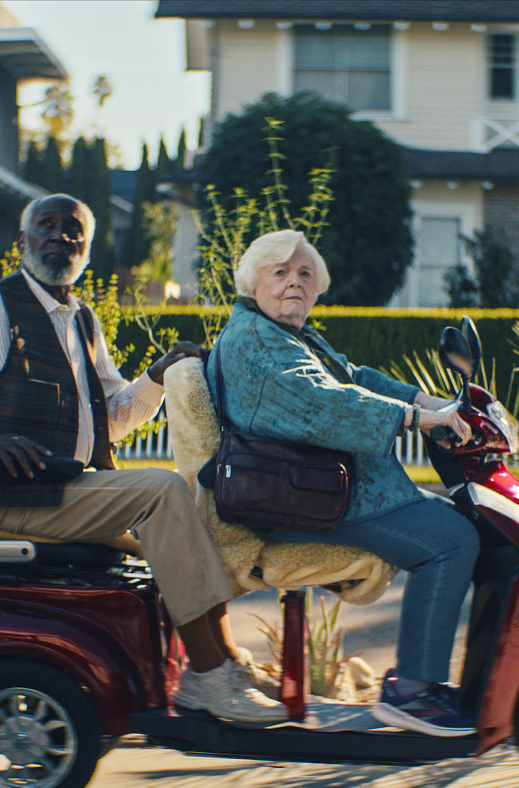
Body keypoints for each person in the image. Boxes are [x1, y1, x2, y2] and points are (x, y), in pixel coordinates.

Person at [0, 194, 284, 723]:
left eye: (74, 230)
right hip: (3, 496)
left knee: (194, 521)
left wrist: (156, 376)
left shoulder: (81, 318)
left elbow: (109, 418)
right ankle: (207, 677)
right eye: (48, 226)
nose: (62, 237)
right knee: (162, 492)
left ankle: (224, 663)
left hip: (56, 491)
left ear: (86, 249)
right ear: (22, 242)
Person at [207, 229, 483, 737]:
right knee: (453, 539)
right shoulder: (254, 341)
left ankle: (429, 679)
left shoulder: (289, 335)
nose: (294, 282)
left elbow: (353, 377)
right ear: (253, 283)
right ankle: (414, 692)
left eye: (304, 274)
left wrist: (430, 404)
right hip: (301, 501)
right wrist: (414, 419)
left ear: (316, 289)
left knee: (463, 519)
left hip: (325, 490)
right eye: (280, 272)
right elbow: (321, 403)